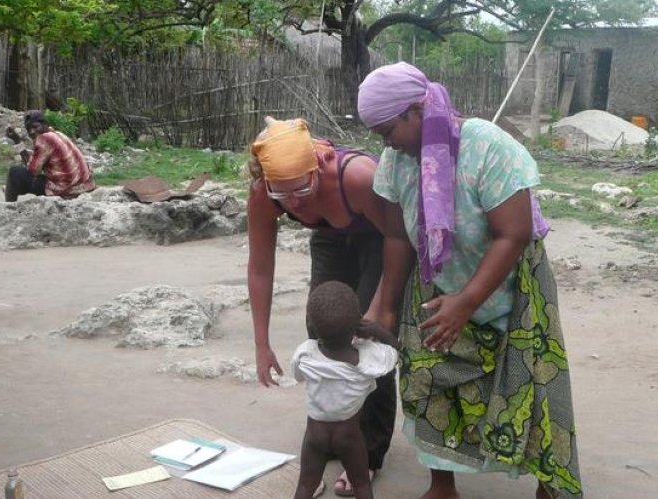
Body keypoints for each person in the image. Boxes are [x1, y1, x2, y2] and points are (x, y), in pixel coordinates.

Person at [358, 62, 583, 499]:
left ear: (417, 110)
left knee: (533, 382)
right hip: (437, 277)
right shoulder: (396, 161)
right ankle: (443, 485)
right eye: (378, 134)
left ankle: (550, 482)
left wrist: (468, 301)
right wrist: (383, 305)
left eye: (388, 130)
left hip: (512, 284)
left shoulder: (488, 146)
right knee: (428, 376)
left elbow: (512, 233)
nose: (385, 143)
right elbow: (396, 236)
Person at [246, 117, 395, 497]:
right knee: (323, 332)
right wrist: (261, 345)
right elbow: (261, 268)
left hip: (379, 238)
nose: (294, 202)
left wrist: (382, 310)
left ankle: (368, 454)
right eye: (284, 194)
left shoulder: (357, 176)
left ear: (318, 165)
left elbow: (399, 237)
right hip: (330, 237)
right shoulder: (265, 193)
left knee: (364, 341)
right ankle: (336, 430)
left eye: (302, 189)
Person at [291, 281, 398, 499]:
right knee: (361, 485)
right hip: (349, 437)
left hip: (315, 436)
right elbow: (395, 351)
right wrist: (377, 330)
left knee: (305, 486)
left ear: (311, 324)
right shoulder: (368, 359)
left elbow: (298, 374)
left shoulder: (305, 354)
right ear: (358, 322)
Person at [4, 110, 95, 202]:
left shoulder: (44, 139)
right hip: (84, 186)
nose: (32, 132)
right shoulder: (58, 134)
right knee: (23, 177)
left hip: (66, 189)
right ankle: (12, 189)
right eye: (28, 129)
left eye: (35, 127)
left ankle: (8, 207)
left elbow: (32, 170)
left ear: (45, 125)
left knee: (14, 173)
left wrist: (18, 142)